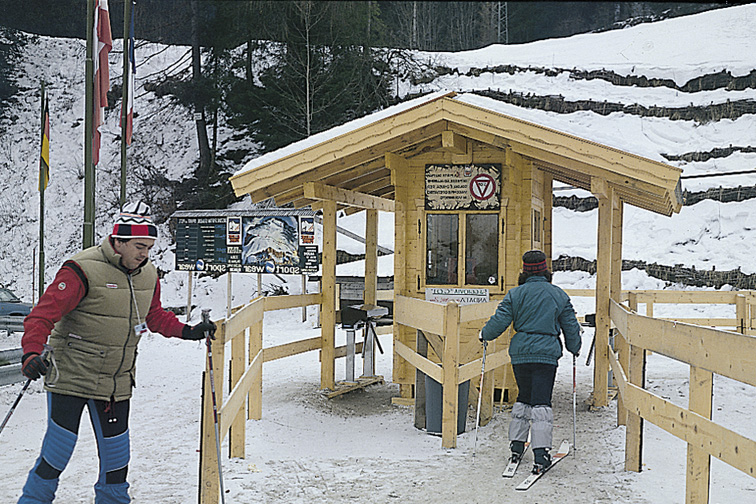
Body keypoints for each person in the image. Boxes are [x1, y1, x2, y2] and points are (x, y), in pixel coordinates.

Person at [17, 201, 216, 504]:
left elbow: (154, 316)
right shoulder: (81, 268)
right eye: (139, 246)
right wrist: (31, 352)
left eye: (149, 247)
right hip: (71, 375)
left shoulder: (148, 275)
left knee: (116, 461)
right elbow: (42, 316)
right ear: (118, 241)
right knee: (57, 453)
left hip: (115, 382)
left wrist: (189, 332)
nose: (145, 254)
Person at [479, 249, 581, 474]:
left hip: (521, 355)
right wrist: (575, 347)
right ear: (546, 270)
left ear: (524, 271)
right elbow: (571, 326)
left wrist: (484, 335)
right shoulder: (558, 295)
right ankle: (541, 453)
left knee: (524, 397)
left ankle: (516, 445)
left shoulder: (515, 294)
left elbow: (499, 321)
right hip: (546, 356)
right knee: (542, 401)